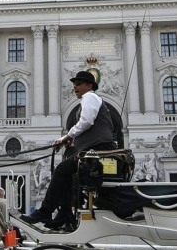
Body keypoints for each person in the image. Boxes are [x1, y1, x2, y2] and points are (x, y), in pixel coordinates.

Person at [21, 70, 117, 230]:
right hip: (96, 148)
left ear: (89, 85)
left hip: (97, 149)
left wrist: (67, 136)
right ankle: (64, 214)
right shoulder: (90, 99)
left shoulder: (90, 97)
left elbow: (86, 121)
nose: (75, 87)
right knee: (68, 174)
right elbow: (89, 127)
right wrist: (71, 140)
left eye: (78, 84)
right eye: (74, 84)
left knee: (61, 170)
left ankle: (46, 210)